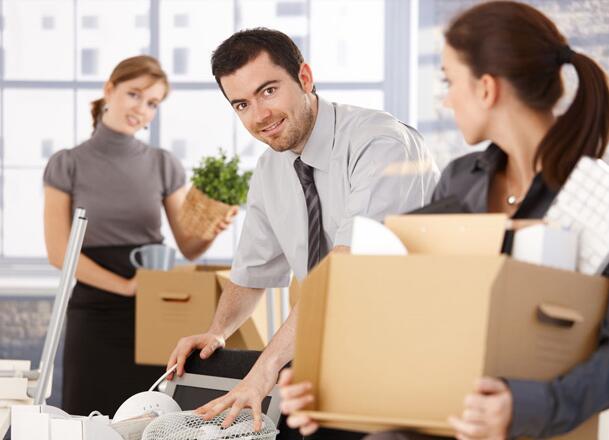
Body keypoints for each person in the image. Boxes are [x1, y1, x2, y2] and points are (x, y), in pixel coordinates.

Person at [278, 1, 609, 439]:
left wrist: (523, 406)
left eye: (450, 81)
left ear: (486, 89)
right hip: (440, 414)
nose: (446, 98)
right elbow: (411, 309)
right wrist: (328, 382)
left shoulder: (595, 197)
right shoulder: (460, 181)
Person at [166, 28, 439, 430]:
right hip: (334, 358)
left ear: (305, 78)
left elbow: (344, 273)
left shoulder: (381, 144)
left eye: (269, 91)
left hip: (408, 355)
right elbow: (252, 272)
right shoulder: (270, 168)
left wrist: (266, 368)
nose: (260, 115)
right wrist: (218, 331)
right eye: (242, 104)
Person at [43, 55, 233, 417]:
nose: (142, 109)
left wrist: (212, 230)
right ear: (109, 90)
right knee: (88, 418)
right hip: (95, 313)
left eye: (152, 103)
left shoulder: (163, 163)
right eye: (134, 94)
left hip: (157, 311)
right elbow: (58, 252)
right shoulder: (66, 164)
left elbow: (189, 247)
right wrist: (128, 287)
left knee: (157, 418)